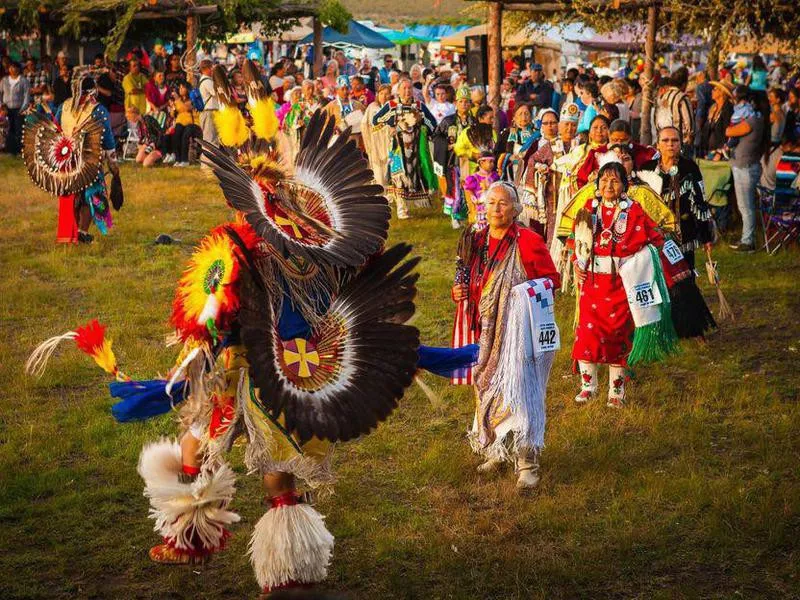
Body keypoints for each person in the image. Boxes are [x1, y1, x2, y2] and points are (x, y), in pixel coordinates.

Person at [451, 181, 560, 489]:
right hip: (484, 333)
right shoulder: (476, 241)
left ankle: (527, 461)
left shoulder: (528, 241)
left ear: (516, 209)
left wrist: (523, 292)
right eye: (491, 203)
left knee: (521, 393)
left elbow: (553, 280)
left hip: (518, 334)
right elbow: (466, 278)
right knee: (487, 390)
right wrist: (457, 290)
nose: (496, 208)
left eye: (503, 203)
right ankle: (498, 450)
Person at [571, 160, 664, 407]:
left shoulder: (634, 211)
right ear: (597, 183)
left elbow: (655, 240)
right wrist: (577, 264)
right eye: (603, 180)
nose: (608, 185)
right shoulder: (588, 209)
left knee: (618, 336)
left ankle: (616, 392)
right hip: (592, 283)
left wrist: (640, 264)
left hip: (621, 284)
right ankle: (588, 386)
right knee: (588, 335)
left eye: (614, 180)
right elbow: (576, 241)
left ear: (624, 186)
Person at [639, 127, 717, 338]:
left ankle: (690, 327)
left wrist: (706, 235)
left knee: (685, 277)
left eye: (675, 140)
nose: (670, 144)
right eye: (666, 140)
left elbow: (700, 203)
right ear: (658, 144)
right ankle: (664, 328)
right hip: (656, 237)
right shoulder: (646, 170)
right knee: (659, 279)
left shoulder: (690, 168)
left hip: (685, 234)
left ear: (681, 144)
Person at [372, 78, 437, 219]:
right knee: (398, 175)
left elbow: (432, 123)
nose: (407, 91)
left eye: (409, 88)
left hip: (415, 148)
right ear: (398, 90)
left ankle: (410, 202)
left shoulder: (419, 105)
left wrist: (421, 121)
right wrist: (394, 125)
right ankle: (402, 208)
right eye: (404, 88)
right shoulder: (391, 105)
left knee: (413, 174)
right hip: (397, 147)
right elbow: (375, 121)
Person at [726, 86, 767, 252]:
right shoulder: (757, 118)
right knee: (745, 205)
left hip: (745, 168)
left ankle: (748, 242)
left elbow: (730, 130)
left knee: (746, 206)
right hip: (747, 165)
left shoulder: (752, 121)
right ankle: (746, 237)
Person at [433, 85, 475, 227]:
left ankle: (468, 213)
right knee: (455, 188)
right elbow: (436, 136)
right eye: (461, 101)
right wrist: (447, 146)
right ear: (456, 103)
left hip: (469, 160)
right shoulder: (448, 121)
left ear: (470, 104)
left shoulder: (474, 122)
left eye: (467, 101)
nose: (464, 104)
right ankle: (454, 216)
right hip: (453, 160)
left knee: (469, 187)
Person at [653, 74, 695, 157]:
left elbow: (657, 121)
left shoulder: (662, 97)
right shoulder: (682, 97)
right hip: (679, 142)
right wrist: (689, 139)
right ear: (684, 84)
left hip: (663, 141)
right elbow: (688, 122)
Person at [361, 84, 393, 190]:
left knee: (389, 171)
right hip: (375, 144)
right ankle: (381, 193)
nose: (383, 96)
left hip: (389, 143)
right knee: (378, 172)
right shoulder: (372, 107)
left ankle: (392, 195)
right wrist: (368, 143)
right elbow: (364, 125)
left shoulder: (392, 107)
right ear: (377, 94)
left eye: (386, 93)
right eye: (381, 93)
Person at [0, 62, 31, 154]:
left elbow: (26, 96)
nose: (13, 69)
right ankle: (9, 149)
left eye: (15, 68)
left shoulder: (24, 81)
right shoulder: (4, 80)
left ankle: (19, 150)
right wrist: (1, 106)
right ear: (9, 69)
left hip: (19, 109)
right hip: (6, 109)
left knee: (19, 130)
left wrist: (23, 108)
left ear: (18, 69)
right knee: (9, 129)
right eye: (11, 68)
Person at [169, 81, 202, 167]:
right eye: (179, 88)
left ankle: (185, 160)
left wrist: (177, 100)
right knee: (176, 134)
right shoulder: (178, 100)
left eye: (182, 87)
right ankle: (178, 159)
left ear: (187, 89)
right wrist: (173, 106)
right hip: (181, 124)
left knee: (185, 134)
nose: (180, 89)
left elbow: (186, 107)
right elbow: (173, 115)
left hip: (193, 124)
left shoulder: (191, 99)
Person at [463, 152, 500, 228]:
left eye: (493, 162)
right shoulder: (474, 178)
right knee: (482, 230)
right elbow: (469, 192)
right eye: (490, 162)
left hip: (494, 208)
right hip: (481, 209)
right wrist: (474, 202)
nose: (492, 164)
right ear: (481, 163)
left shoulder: (495, 176)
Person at [700, 80, 734, 159]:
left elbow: (727, 132)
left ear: (722, 92)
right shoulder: (713, 108)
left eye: (715, 89)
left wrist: (721, 151)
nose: (712, 91)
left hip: (720, 152)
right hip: (709, 150)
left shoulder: (728, 108)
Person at [197, 59, 219, 146]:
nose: (213, 70)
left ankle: (210, 159)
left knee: (211, 138)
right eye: (211, 68)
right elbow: (217, 94)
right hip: (209, 112)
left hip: (208, 112)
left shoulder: (204, 80)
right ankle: (207, 159)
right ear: (206, 69)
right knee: (210, 139)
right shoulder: (207, 81)